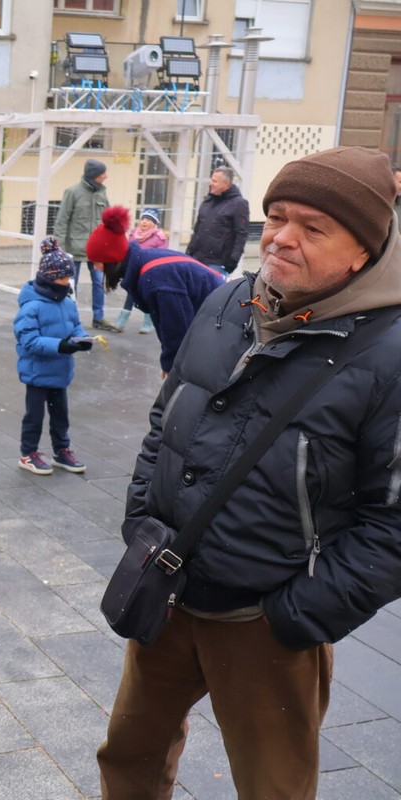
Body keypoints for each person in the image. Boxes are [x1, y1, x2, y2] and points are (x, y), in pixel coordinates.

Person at [96, 146, 401, 799]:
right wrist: (142, 519)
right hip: (167, 593)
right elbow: (166, 418)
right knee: (128, 756)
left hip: (266, 626)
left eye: (313, 228)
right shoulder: (229, 303)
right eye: (277, 217)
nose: (282, 238)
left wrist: (294, 615)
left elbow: (394, 526)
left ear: (364, 251)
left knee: (274, 788)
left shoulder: (390, 354)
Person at [87, 206, 225, 377]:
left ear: (112, 260)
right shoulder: (144, 266)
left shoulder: (155, 277)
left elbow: (177, 326)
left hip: (222, 318)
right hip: (212, 318)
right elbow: (163, 319)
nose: (96, 268)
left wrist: (172, 365)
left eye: (97, 262)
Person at [14, 237, 92, 476]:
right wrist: (60, 345)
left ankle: (62, 450)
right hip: (37, 373)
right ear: (49, 277)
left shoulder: (67, 303)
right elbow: (29, 341)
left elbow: (76, 327)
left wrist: (82, 340)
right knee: (34, 417)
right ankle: (28, 453)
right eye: (63, 277)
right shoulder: (31, 307)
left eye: (69, 278)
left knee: (61, 416)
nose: (67, 282)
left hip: (60, 372)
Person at [53, 159, 120, 332]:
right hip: (73, 249)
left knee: (99, 283)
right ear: (94, 175)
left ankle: (99, 318)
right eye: (102, 173)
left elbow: (108, 220)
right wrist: (59, 248)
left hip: (97, 250)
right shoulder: (72, 192)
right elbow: (62, 221)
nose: (106, 176)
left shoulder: (102, 193)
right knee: (70, 285)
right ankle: (69, 318)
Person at [185, 166, 249, 275]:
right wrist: (188, 253)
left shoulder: (239, 204)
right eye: (211, 179)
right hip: (196, 259)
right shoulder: (208, 201)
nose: (211, 183)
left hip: (218, 264)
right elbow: (197, 229)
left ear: (226, 184)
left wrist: (232, 262)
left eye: (214, 181)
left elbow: (241, 234)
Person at [114, 209, 166, 334]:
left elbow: (162, 255)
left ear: (154, 223)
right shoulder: (133, 234)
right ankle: (122, 320)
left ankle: (148, 322)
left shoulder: (159, 237)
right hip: (133, 270)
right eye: (143, 219)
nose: (144, 222)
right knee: (131, 293)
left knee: (148, 295)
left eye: (148, 220)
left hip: (150, 271)